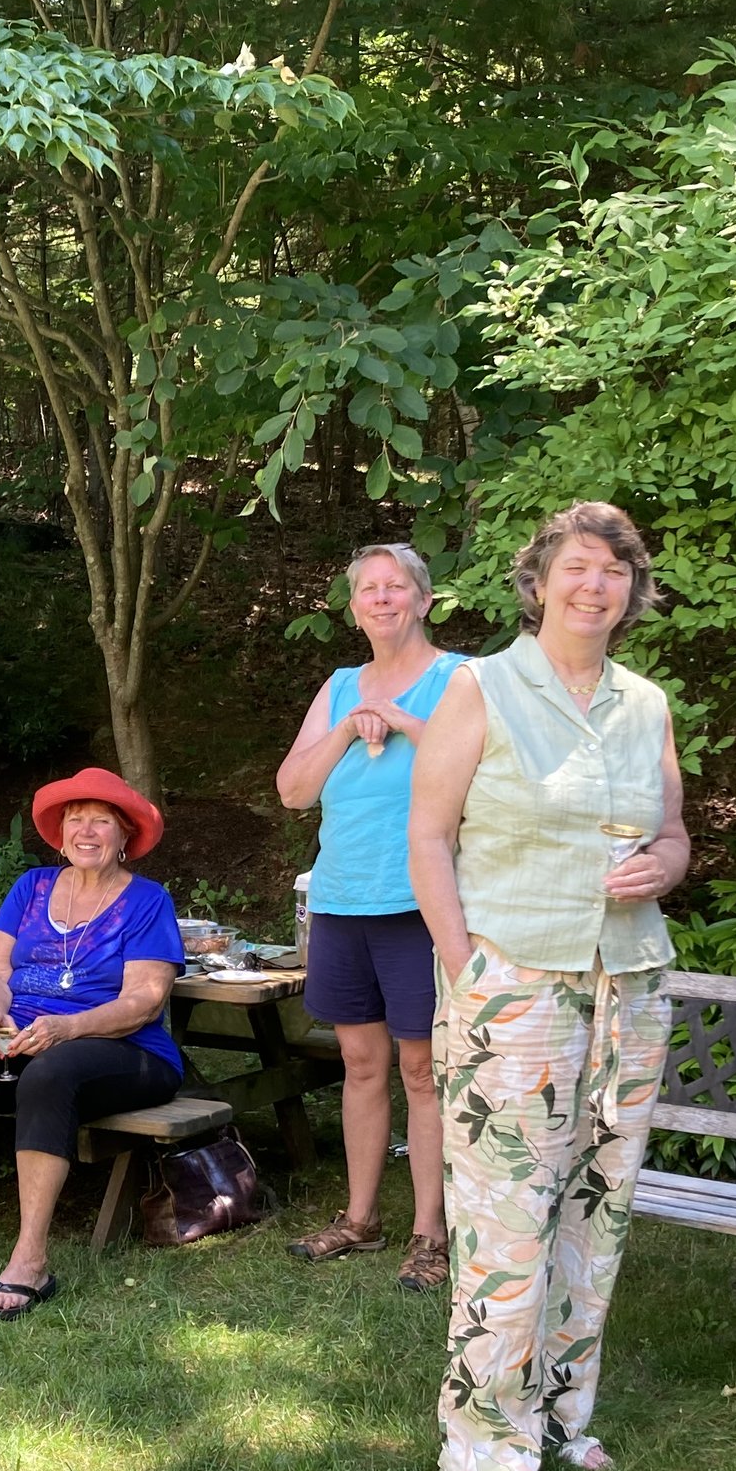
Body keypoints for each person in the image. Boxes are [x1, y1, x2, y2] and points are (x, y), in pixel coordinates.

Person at [408, 501, 688, 1471]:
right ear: (539, 582)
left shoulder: (644, 704)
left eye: (614, 571)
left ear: (632, 591)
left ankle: (562, 1410)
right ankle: (480, 1446)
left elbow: (674, 839)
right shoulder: (479, 687)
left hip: (631, 982)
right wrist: (463, 961)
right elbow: (428, 837)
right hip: (514, 984)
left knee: (598, 1202)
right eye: (576, 567)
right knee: (508, 1217)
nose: (595, 586)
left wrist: (663, 864)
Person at [0, 769, 186, 1318]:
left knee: (53, 1073)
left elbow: (144, 1001)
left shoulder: (147, 900)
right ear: (59, 833)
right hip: (25, 1033)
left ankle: (30, 1259)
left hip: (126, 1049)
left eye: (103, 821)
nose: (88, 831)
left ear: (125, 837)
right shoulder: (31, 888)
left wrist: (66, 1028)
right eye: (77, 819)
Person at [276, 541, 465, 1291]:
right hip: (341, 899)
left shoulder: (459, 678)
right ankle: (360, 1218)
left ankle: (430, 1231)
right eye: (367, 589)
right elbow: (293, 789)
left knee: (421, 1069)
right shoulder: (338, 685)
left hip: (419, 902)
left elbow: (485, 770)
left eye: (396, 587)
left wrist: (406, 722)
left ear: (424, 599)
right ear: (354, 607)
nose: (381, 598)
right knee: (359, 1064)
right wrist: (351, 725)